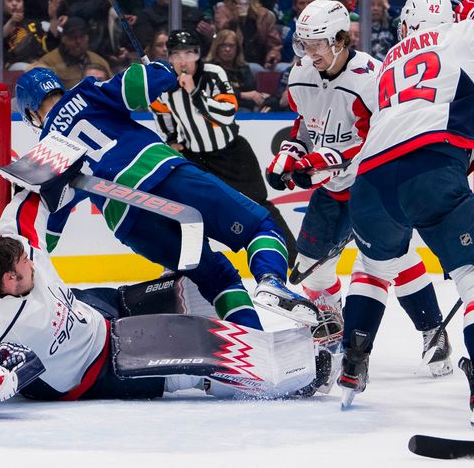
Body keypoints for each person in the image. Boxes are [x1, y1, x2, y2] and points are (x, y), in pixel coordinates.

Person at [338, 0, 474, 427]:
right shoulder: (458, 34)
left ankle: (352, 361)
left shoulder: (389, 61)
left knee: (374, 266)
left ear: (408, 24)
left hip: (372, 181)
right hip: (431, 168)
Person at [0, 188, 332, 414]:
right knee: (194, 359)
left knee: (189, 283)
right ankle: (295, 374)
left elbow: (24, 208)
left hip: (94, 310)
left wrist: (52, 177)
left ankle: (245, 335)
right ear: (10, 280)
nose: (31, 258)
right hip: (101, 368)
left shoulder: (16, 252)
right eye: (24, 263)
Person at [16, 63, 319, 330]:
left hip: (129, 222)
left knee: (218, 279)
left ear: (31, 112)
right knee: (260, 227)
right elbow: (143, 83)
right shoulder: (87, 92)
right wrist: (162, 69)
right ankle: (271, 281)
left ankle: (253, 347)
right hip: (162, 175)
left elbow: (49, 233)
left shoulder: (48, 152)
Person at [266, 0, 452, 370]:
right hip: (333, 188)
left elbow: (377, 137)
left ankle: (434, 332)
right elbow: (306, 123)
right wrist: (291, 152)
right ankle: (332, 325)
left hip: (375, 184)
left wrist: (323, 160)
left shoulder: (372, 77)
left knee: (390, 259)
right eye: (303, 43)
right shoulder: (302, 74)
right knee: (309, 266)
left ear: (340, 40)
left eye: (316, 43)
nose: (308, 52)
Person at [150, 29, 297, 264]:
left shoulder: (213, 74)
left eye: (189, 53)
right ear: (170, 57)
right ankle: (193, 265)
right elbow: (162, 115)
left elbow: (227, 114)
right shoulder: (164, 86)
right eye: (178, 54)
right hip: (196, 159)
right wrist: (171, 141)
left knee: (258, 205)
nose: (184, 60)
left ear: (198, 54)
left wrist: (194, 93)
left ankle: (292, 257)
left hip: (232, 154)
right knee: (189, 212)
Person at [213, 0, 282, 74]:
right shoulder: (223, 12)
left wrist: (273, 55)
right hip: (233, 62)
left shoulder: (265, 15)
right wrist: (234, 18)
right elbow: (221, 32)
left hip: (261, 61)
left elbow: (274, 45)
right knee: (254, 69)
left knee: (282, 68)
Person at [32, 16, 113, 89]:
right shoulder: (48, 63)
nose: (78, 41)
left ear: (88, 37)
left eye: (82, 37)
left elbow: (113, 88)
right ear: (63, 38)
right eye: (73, 37)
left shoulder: (99, 61)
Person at [205, 28, 266, 111]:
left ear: (237, 49)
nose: (227, 49)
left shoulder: (243, 68)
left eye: (231, 45)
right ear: (216, 47)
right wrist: (242, 95)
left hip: (244, 108)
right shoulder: (209, 68)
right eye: (223, 45)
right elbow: (215, 92)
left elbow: (251, 93)